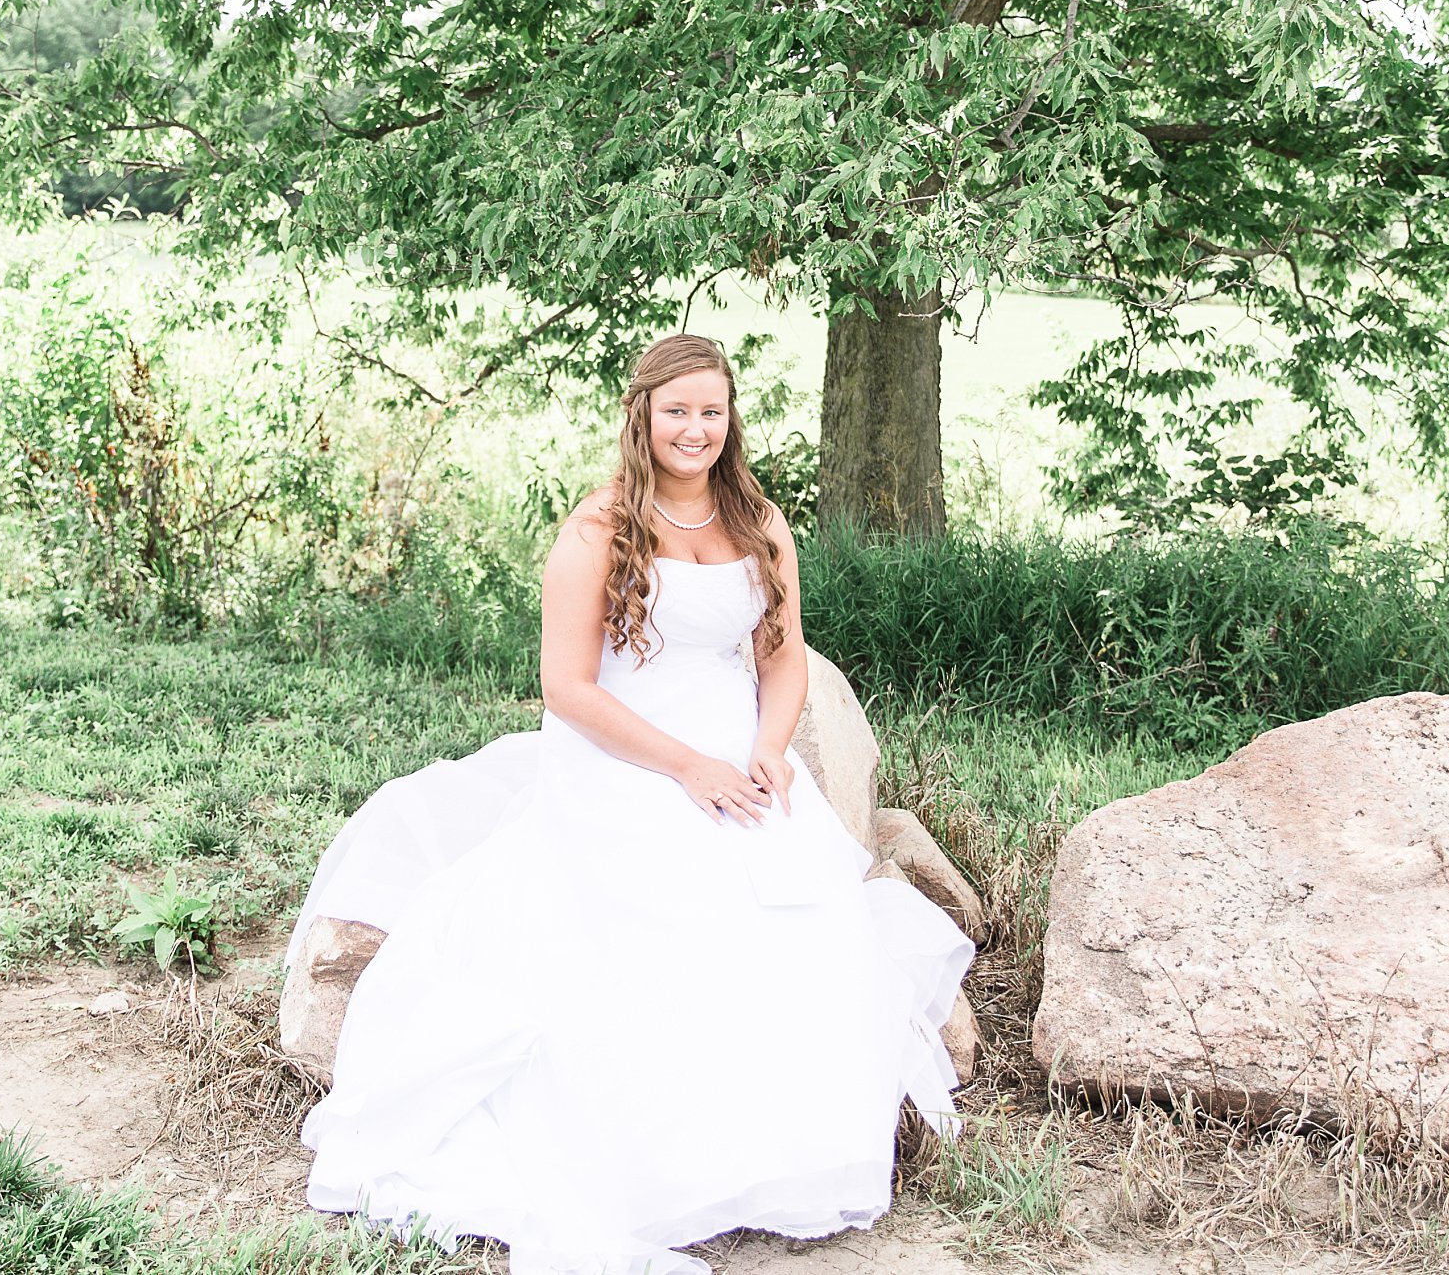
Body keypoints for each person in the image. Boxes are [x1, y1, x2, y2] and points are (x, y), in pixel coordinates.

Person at [282, 333, 975, 1275]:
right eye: (677, 410)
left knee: (795, 902)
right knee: (662, 902)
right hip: (624, 755)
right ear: (643, 415)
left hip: (738, 754)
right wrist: (687, 768)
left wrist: (767, 751)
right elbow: (567, 688)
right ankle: (644, 1158)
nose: (695, 428)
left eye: (712, 411)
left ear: (731, 420)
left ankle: (766, 1153)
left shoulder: (760, 520)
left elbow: (782, 656)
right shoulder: (599, 529)